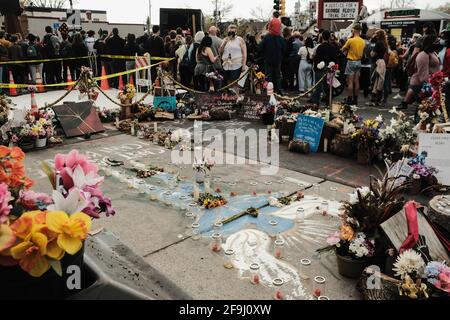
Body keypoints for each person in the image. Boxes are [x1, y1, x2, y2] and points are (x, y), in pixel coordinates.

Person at [397, 34, 440, 110]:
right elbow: (423, 74)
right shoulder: (423, 55)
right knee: (424, 109)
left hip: (427, 84)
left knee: (425, 109)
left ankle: (404, 103)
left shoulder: (431, 53)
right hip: (422, 84)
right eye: (435, 41)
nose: (438, 42)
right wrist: (429, 87)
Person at [310, 30, 339, 106]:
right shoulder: (333, 47)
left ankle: (315, 103)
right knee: (328, 87)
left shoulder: (320, 47)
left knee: (318, 87)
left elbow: (316, 58)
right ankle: (328, 103)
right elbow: (335, 58)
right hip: (330, 69)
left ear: (322, 37)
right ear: (329, 37)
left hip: (320, 69)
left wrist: (316, 68)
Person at [341, 23, 366, 105]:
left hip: (351, 61)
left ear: (354, 30)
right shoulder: (363, 41)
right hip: (359, 62)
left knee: (350, 82)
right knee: (357, 81)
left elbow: (342, 49)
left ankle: (349, 99)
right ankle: (355, 100)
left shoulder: (350, 40)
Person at [258, 25, 286, 95]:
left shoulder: (266, 37)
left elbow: (260, 48)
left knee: (268, 76)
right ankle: (279, 90)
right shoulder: (280, 38)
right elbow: (284, 49)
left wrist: (264, 55)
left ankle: (268, 91)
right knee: (278, 76)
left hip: (268, 60)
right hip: (277, 60)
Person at [220, 24, 247, 92]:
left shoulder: (240, 40)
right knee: (227, 84)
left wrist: (243, 65)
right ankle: (229, 98)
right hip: (226, 65)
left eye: (233, 32)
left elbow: (244, 53)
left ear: (236, 32)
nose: (231, 33)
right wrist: (224, 43)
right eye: (230, 32)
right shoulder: (225, 39)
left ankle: (237, 96)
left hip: (237, 64)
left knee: (234, 82)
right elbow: (220, 51)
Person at [366, 29, 388, 106]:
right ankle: (378, 100)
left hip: (376, 64)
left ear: (378, 35)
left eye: (375, 33)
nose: (374, 34)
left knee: (373, 82)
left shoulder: (378, 43)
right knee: (380, 82)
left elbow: (372, 54)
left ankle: (373, 100)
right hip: (382, 63)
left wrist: (371, 51)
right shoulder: (385, 43)